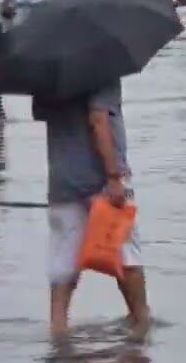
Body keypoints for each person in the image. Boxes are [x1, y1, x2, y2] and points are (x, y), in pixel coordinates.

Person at [40, 79, 149, 335]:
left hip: (62, 180)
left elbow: (48, 116)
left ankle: (58, 333)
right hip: (100, 181)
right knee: (127, 255)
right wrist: (113, 175)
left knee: (63, 264)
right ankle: (141, 323)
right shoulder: (103, 68)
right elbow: (99, 119)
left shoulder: (47, 72)